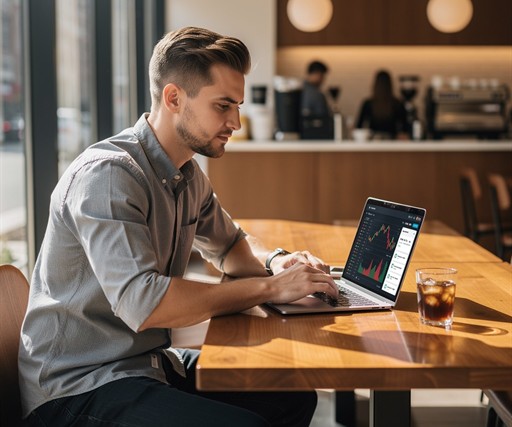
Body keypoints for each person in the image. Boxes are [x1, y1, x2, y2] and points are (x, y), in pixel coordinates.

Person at [18, 27, 339, 427]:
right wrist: (272, 288)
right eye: (223, 106)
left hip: (144, 365)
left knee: (292, 396)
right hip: (78, 388)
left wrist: (277, 263)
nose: (236, 121)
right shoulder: (109, 176)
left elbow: (230, 246)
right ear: (173, 98)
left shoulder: (185, 173)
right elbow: (145, 302)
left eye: (236, 105)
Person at [355, 69, 409, 140]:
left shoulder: (368, 103)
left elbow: (358, 126)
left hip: (373, 142)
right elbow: (405, 128)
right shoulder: (397, 104)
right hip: (393, 142)